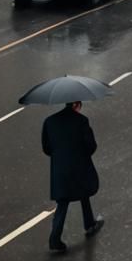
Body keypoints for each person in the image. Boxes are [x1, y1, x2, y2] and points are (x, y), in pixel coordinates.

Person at [42, 101, 105, 253]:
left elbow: (46, 147)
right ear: (76, 105)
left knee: (62, 202)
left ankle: (55, 239)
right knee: (84, 193)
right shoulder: (81, 121)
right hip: (79, 166)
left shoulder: (50, 121)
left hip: (59, 169)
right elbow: (91, 146)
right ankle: (89, 224)